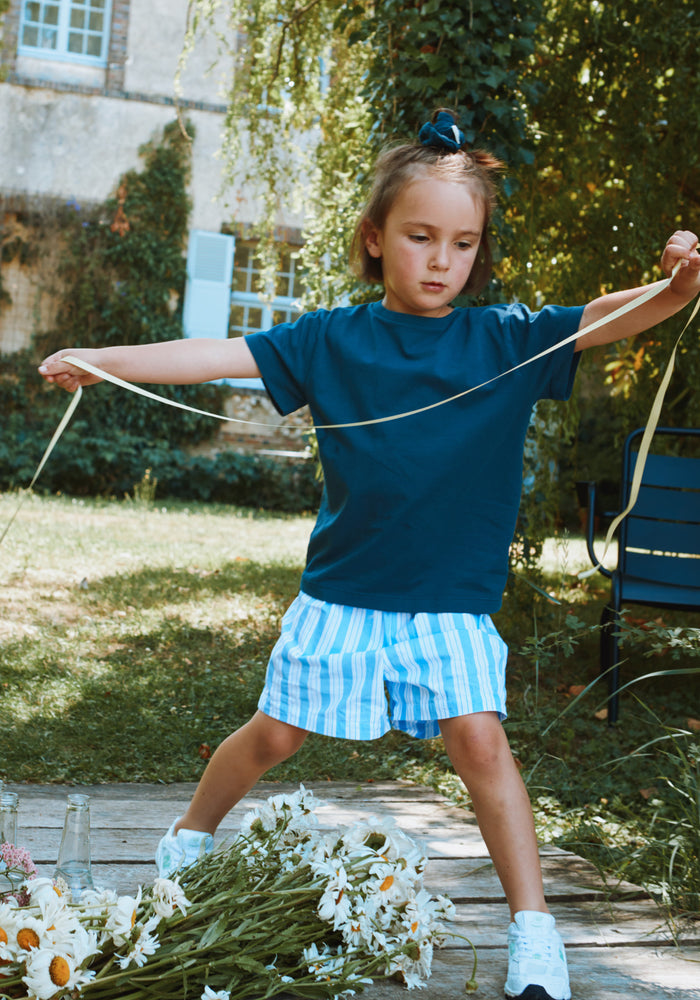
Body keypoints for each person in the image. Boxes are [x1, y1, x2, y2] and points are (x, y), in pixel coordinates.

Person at [39, 109, 700, 1000]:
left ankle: (533, 933)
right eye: (421, 236)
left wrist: (677, 285)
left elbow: (611, 317)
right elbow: (214, 354)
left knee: (481, 742)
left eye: (463, 244)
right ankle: (189, 836)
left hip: (450, 604)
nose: (441, 260)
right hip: (344, 595)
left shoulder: (505, 339)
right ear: (375, 238)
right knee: (275, 733)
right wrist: (101, 358)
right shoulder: (328, 339)